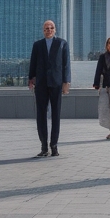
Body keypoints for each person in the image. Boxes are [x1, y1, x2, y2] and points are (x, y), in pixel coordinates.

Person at [27, 19, 71, 157]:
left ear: (55, 29)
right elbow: (33, 63)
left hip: (56, 83)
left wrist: (66, 82)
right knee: (41, 115)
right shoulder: (37, 45)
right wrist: (31, 78)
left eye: (51, 28)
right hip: (41, 84)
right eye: (46, 28)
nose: (49, 30)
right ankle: (44, 146)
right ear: (43, 30)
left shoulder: (62, 43)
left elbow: (66, 64)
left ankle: (54, 145)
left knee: (56, 115)